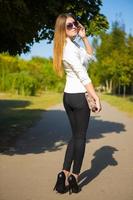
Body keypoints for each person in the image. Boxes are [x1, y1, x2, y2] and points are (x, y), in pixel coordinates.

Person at [53, 13, 102, 194]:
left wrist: (84, 37)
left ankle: (62, 174)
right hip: (79, 97)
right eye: (69, 26)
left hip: (68, 97)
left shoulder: (72, 45)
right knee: (81, 137)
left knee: (75, 136)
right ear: (62, 30)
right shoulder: (68, 49)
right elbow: (83, 74)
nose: (74, 27)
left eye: (75, 24)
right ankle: (74, 177)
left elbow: (89, 56)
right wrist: (95, 96)